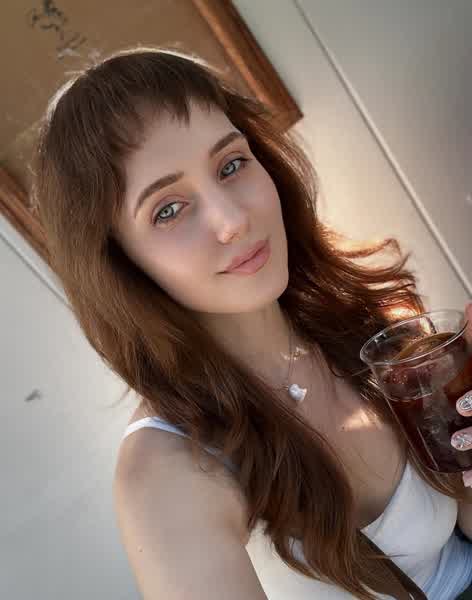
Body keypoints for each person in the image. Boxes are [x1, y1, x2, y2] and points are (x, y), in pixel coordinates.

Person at [31, 45, 472, 599]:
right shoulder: (167, 471)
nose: (232, 220)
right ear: (120, 262)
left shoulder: (367, 327)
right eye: (168, 209)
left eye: (231, 165)